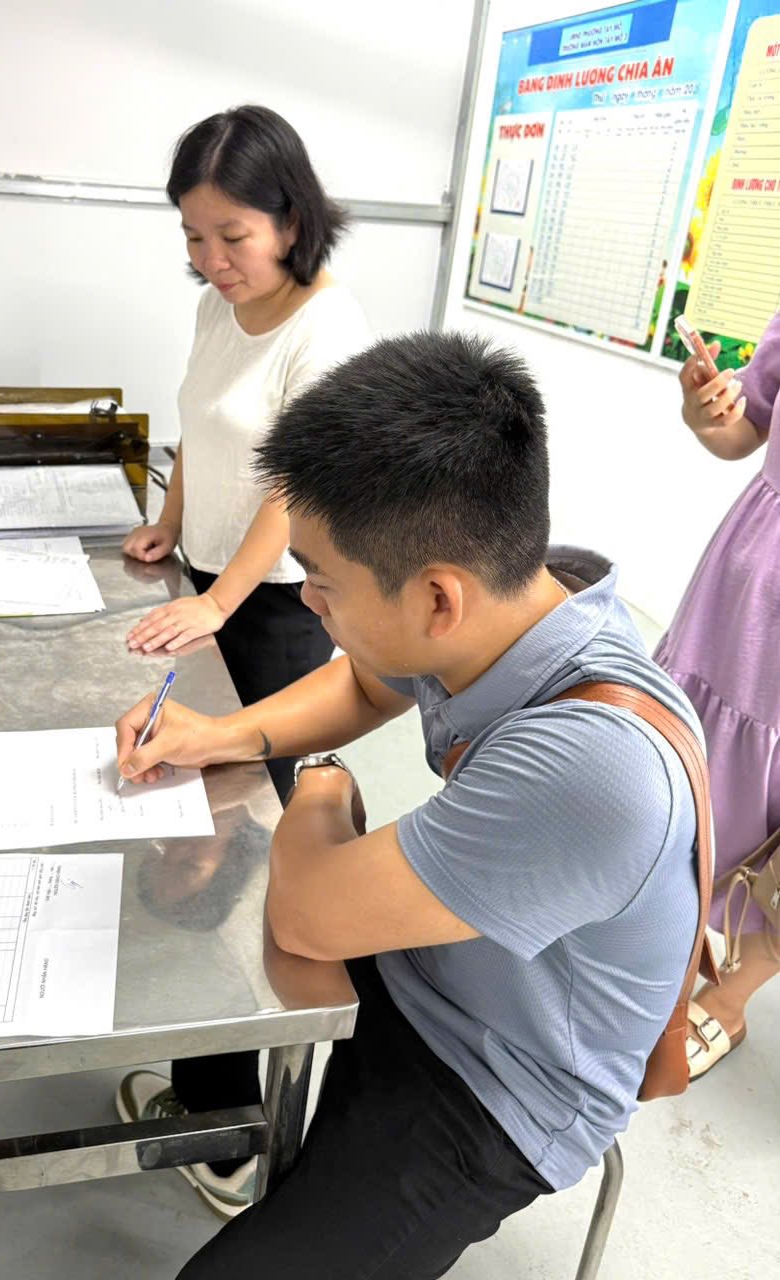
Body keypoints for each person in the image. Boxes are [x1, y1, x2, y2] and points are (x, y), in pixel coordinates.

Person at [114, 331, 701, 1277]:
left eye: (323, 582)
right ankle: (240, 1134)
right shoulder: (523, 599)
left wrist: (322, 781)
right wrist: (218, 735)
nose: (309, 602)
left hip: (493, 1081)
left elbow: (309, 916)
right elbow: (365, 681)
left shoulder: (593, 766)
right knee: (181, 939)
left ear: (436, 600)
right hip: (443, 964)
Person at [121, 105, 370, 800]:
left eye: (233, 237)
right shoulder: (217, 306)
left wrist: (219, 603)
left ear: (292, 222)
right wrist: (171, 522)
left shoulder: (328, 329)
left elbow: (294, 488)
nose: (211, 261)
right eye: (194, 237)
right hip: (207, 577)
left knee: (260, 788)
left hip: (278, 600)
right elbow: (201, 424)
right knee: (194, 765)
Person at [654, 313, 780, 1079]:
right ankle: (665, 934)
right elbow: (744, 431)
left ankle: (731, 995)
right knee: (690, 762)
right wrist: (707, 410)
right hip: (752, 585)